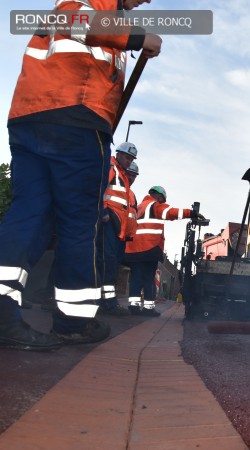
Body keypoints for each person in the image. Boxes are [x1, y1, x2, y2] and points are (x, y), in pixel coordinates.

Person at [0, 0, 161, 351]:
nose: (145, 2)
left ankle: (2, 313)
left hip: (32, 116)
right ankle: (73, 323)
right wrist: (138, 37)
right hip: (76, 118)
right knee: (79, 222)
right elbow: (77, 20)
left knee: (29, 214)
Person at [124, 186, 205, 316]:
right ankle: (148, 308)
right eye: (162, 199)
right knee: (148, 278)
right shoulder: (154, 205)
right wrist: (191, 213)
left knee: (136, 277)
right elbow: (171, 212)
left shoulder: (139, 207)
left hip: (133, 249)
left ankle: (133, 306)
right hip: (149, 247)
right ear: (159, 196)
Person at [99, 143, 138, 316]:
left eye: (131, 159)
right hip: (109, 223)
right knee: (106, 262)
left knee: (111, 264)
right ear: (119, 154)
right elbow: (98, 188)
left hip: (118, 230)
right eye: (127, 157)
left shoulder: (122, 176)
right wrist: (102, 212)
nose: (128, 161)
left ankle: (106, 302)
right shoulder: (112, 168)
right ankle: (107, 303)